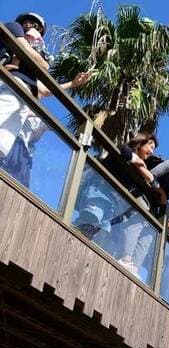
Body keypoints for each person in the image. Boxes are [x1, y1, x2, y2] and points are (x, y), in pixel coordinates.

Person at [0, 13, 90, 187]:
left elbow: (43, 89)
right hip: (11, 84)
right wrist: (40, 60)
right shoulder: (14, 27)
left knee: (2, 148)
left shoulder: (31, 66)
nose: (31, 25)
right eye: (28, 21)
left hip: (24, 96)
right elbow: (42, 64)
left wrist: (72, 83)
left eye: (36, 25)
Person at [74, 133, 158, 275]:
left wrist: (145, 172)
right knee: (91, 218)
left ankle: (78, 251)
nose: (152, 151)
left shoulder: (137, 171)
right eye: (150, 146)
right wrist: (140, 163)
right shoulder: (125, 151)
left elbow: (151, 182)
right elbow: (124, 150)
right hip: (100, 192)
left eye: (153, 149)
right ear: (141, 143)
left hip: (112, 204)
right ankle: (73, 240)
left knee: (96, 231)